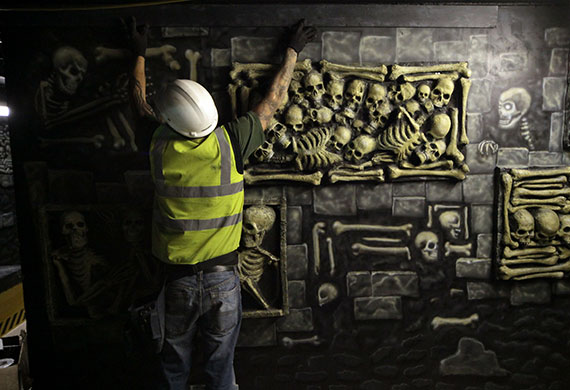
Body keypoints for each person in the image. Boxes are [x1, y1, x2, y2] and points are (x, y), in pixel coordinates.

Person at [128, 17, 316, 390]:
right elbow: (273, 101)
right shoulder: (231, 142)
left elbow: (138, 104)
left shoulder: (159, 145)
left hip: (177, 282)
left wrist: (138, 52)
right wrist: (292, 52)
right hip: (223, 282)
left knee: (173, 370)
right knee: (221, 372)